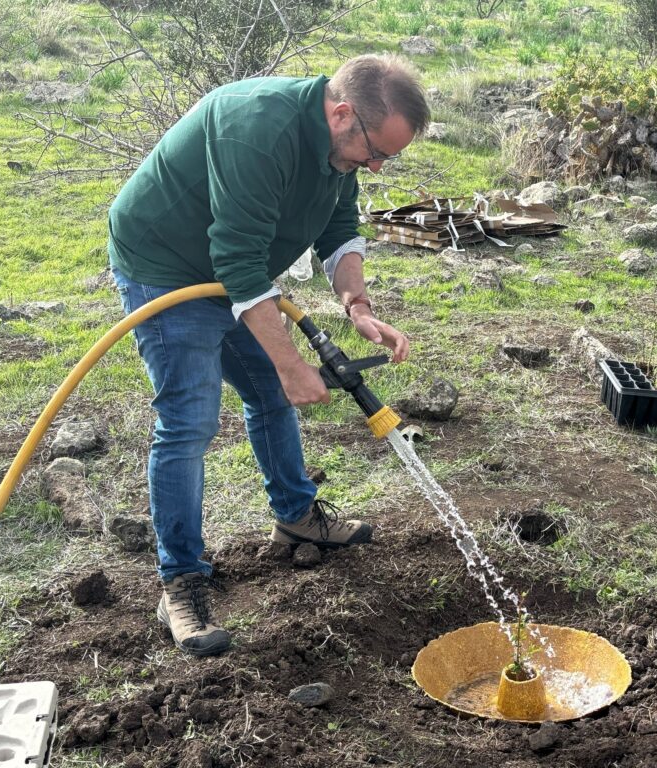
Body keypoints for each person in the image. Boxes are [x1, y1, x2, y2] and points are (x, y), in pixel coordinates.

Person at [107, 55, 429, 657]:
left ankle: (296, 515)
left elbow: (338, 223)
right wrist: (290, 363)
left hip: (236, 272)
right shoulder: (255, 130)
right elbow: (237, 260)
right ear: (341, 114)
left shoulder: (340, 147)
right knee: (188, 421)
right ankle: (180, 579)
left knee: (271, 396)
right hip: (165, 266)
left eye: (389, 157)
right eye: (375, 153)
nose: (377, 166)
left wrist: (357, 306)